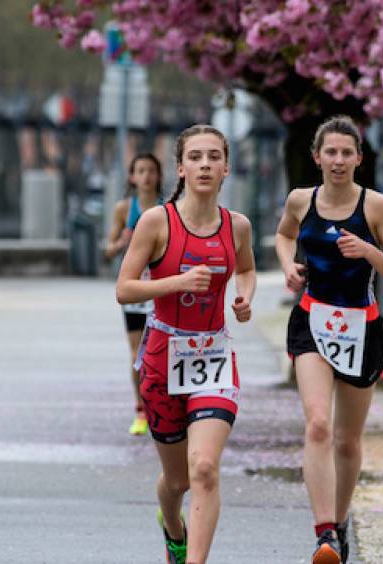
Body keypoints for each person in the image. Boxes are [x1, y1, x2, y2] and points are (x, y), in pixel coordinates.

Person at [274, 116, 383, 564]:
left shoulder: (375, 206)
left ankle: (339, 523)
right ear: (317, 157)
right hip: (312, 320)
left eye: (346, 153)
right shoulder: (300, 199)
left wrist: (370, 251)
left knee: (348, 441)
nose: (337, 160)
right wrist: (288, 265)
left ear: (359, 159)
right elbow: (283, 234)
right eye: (329, 152)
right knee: (318, 424)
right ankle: (324, 535)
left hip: (362, 327)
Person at [117, 124, 256, 564]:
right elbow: (124, 289)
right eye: (195, 157)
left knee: (204, 469)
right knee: (176, 480)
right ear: (180, 167)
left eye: (214, 157)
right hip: (163, 356)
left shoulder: (238, 226)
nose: (205, 165)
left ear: (226, 168)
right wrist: (176, 282)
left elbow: (248, 270)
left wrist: (243, 298)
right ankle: (171, 525)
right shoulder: (157, 222)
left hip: (214, 354)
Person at [105, 153, 164, 436]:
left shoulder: (170, 208)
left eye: (151, 170)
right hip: (135, 290)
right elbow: (108, 251)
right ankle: (140, 408)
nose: (146, 176)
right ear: (132, 177)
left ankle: (162, 407)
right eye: (140, 171)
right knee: (136, 352)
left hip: (163, 288)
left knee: (164, 352)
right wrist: (122, 241)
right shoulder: (123, 209)